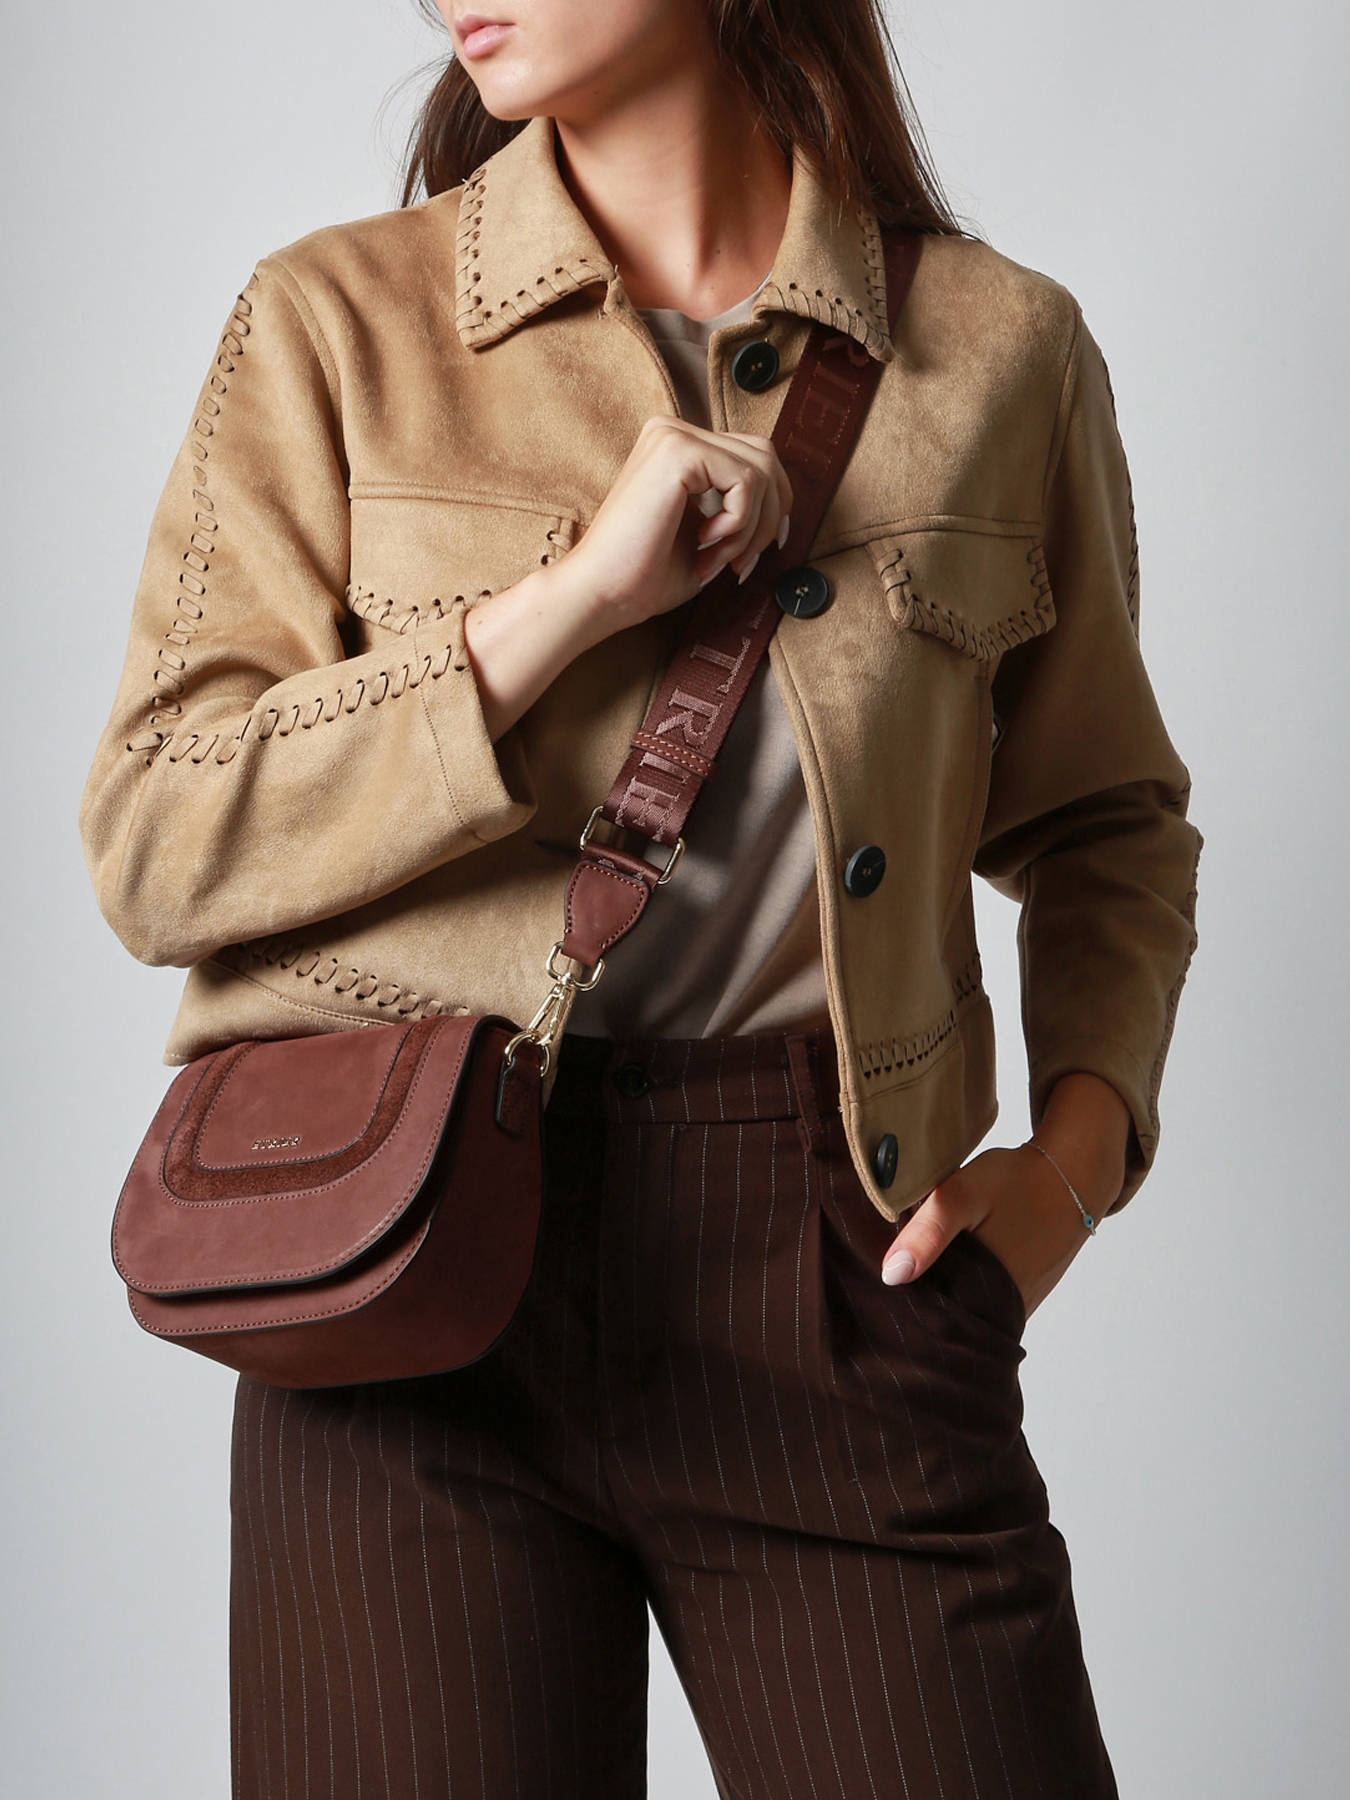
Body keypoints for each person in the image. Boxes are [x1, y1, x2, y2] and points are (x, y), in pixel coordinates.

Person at [77, 1, 1203, 1794]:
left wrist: (1064, 1174)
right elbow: (156, 838)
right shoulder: (334, 322)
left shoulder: (1001, 348)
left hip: (835, 1260)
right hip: (401, 1263)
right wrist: (562, 609)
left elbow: (1108, 824)